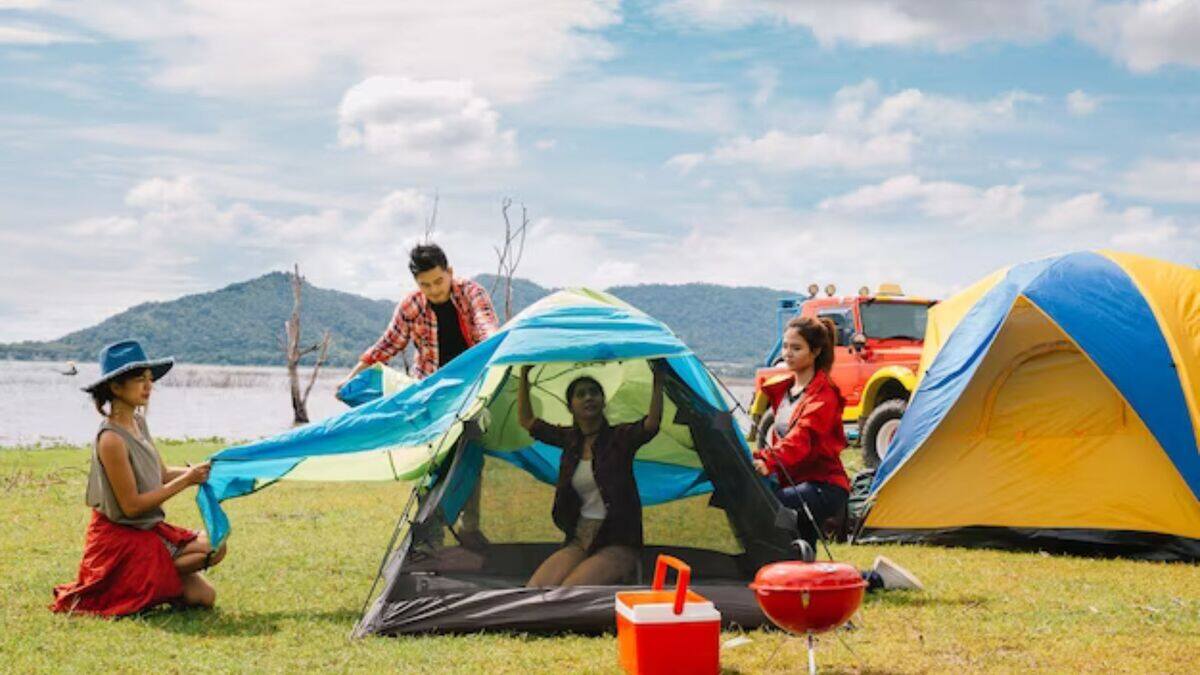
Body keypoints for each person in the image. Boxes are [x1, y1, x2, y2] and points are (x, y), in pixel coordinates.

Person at [337, 243, 500, 549]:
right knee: (434, 464)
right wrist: (350, 378)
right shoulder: (411, 306)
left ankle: (470, 527)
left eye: (439, 281)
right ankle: (429, 533)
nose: (434, 290)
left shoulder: (471, 293)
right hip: (430, 396)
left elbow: (487, 328)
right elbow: (385, 347)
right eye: (426, 285)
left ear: (450, 272)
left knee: (471, 456)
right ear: (416, 283)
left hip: (470, 391)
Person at [52, 340, 227, 616]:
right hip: (120, 536)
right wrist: (187, 480)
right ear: (116, 387)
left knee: (207, 589)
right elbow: (132, 506)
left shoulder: (139, 422)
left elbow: (162, 474)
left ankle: (147, 581)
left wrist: (202, 471)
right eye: (139, 380)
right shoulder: (111, 439)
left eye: (149, 379)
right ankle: (130, 580)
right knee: (210, 554)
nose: (148, 386)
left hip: (146, 529)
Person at [752, 317, 922, 591]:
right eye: (785, 347)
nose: (787, 354)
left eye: (796, 348)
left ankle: (871, 579)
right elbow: (780, 441)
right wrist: (757, 457)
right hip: (796, 482)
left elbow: (801, 439)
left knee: (771, 507)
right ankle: (876, 578)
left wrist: (769, 462)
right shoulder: (785, 392)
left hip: (823, 487)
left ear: (815, 351)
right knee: (801, 565)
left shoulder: (823, 395)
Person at [518, 361, 665, 586]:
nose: (588, 397)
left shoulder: (620, 438)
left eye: (594, 392)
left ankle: (624, 570)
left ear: (603, 401)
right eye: (581, 394)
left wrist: (658, 380)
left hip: (618, 540)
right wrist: (524, 373)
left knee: (569, 591)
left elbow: (651, 424)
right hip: (581, 538)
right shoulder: (570, 440)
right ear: (570, 407)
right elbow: (527, 421)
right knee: (535, 589)